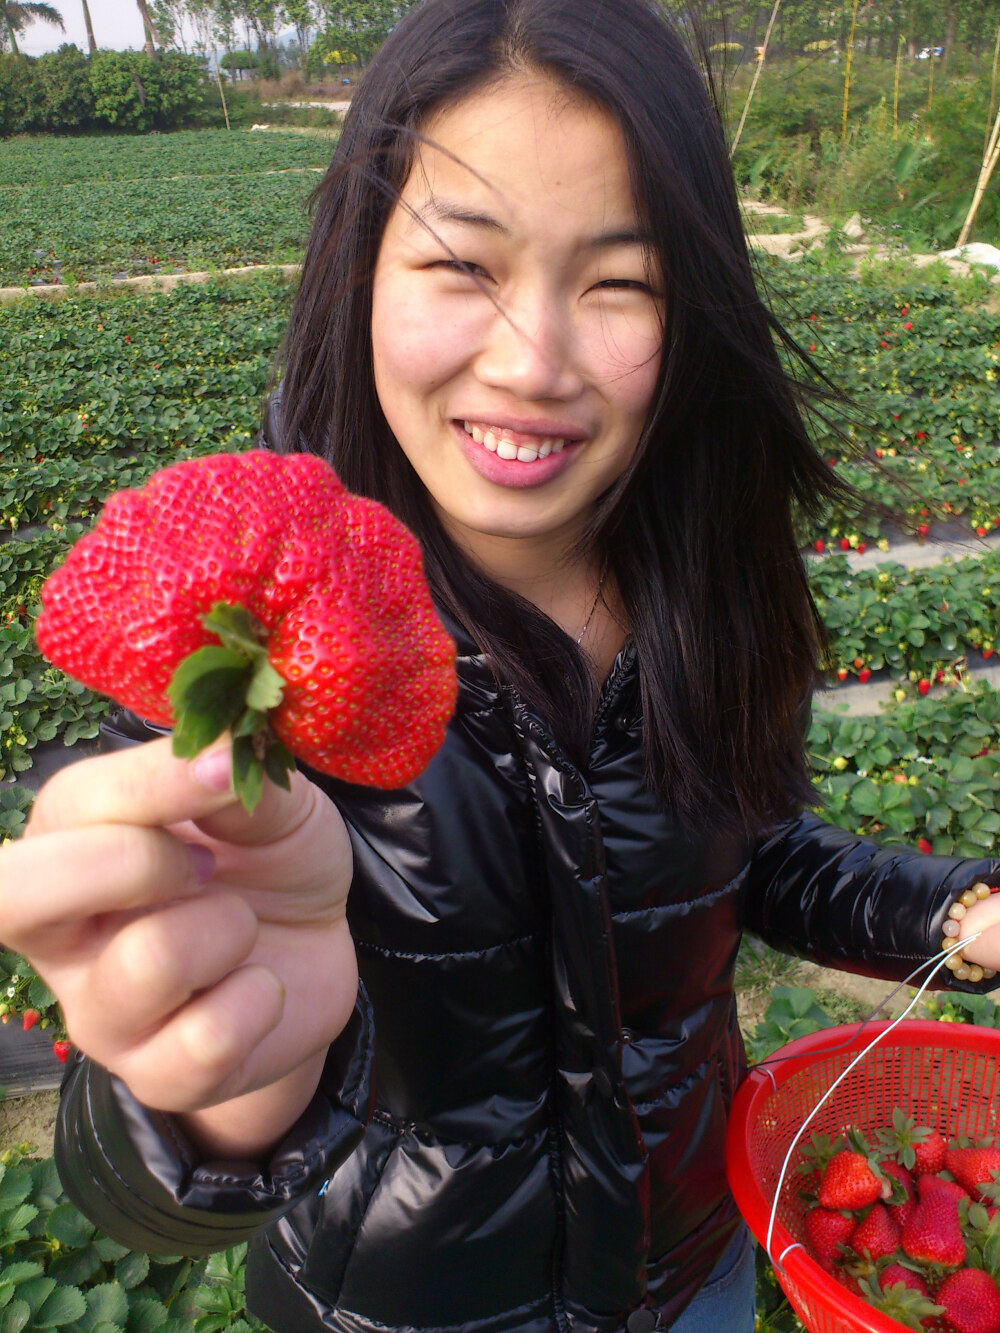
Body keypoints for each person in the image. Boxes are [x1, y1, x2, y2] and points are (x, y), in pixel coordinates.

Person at [4, 1, 1000, 1330]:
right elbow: (133, 1188)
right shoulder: (233, 647)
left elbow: (755, 852)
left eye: (620, 281)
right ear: (362, 271)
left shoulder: (711, 584)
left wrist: (944, 913)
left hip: (686, 1271)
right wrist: (223, 1095)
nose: (533, 361)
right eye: (461, 265)